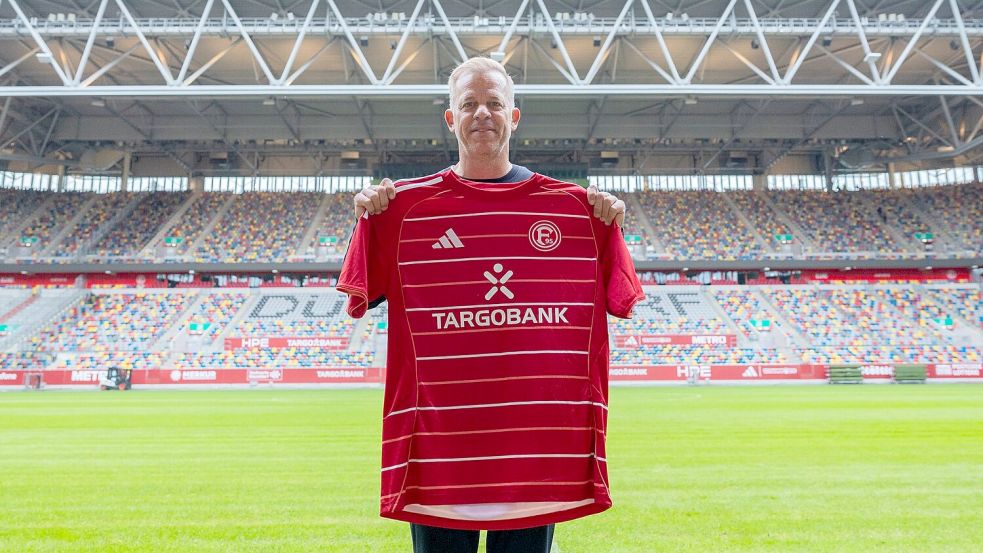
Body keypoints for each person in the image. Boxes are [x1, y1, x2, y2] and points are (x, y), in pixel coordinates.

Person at [338, 57, 643, 553]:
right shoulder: (401, 211)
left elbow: (621, 298)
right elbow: (361, 293)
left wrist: (606, 219)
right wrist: (369, 216)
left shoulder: (579, 212)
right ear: (450, 118)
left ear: (514, 117)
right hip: (439, 456)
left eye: (494, 103)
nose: (482, 113)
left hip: (535, 453)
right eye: (469, 104)